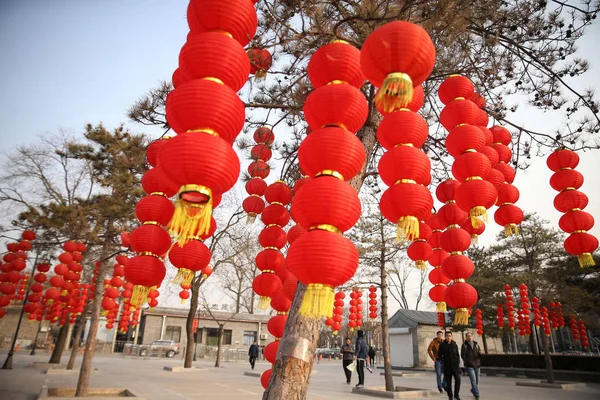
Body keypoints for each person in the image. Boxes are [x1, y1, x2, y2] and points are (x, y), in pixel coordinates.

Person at [439, 331, 461, 400]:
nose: (449, 337)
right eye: (447, 336)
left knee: (458, 380)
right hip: (447, 366)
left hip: (455, 366)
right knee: (448, 383)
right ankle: (450, 396)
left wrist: (457, 362)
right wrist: (444, 361)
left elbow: (457, 354)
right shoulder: (442, 345)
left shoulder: (454, 344)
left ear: (452, 337)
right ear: (445, 337)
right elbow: (439, 355)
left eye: (450, 336)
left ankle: (456, 395)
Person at [461, 332, 483, 400]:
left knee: (477, 380)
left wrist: (481, 354)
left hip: (477, 364)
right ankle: (476, 394)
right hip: (469, 365)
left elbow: (480, 354)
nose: (469, 337)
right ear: (466, 337)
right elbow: (463, 355)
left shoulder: (476, 344)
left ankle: (473, 389)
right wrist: (467, 362)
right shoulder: (464, 345)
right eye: (468, 336)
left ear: (472, 337)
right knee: (473, 380)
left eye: (470, 336)